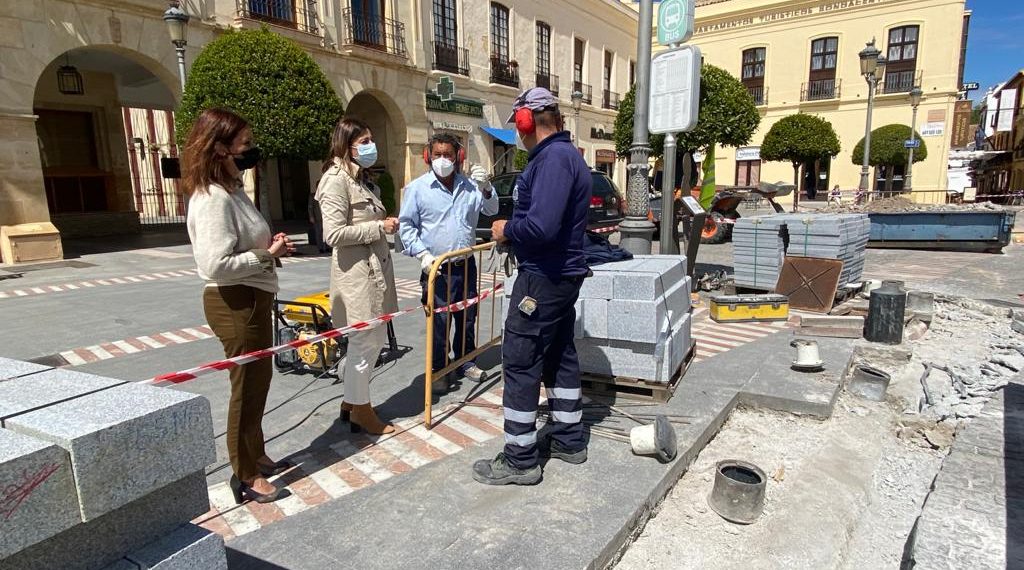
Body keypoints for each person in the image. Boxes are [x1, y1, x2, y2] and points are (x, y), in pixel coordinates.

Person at [473, 87, 591, 485]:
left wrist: (506, 229)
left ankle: (520, 458)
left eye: (518, 127)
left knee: (521, 361)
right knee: (559, 355)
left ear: (526, 121)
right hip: (560, 277)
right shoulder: (566, 156)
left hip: (542, 278)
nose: (519, 137)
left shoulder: (554, 160)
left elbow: (540, 226)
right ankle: (568, 439)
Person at [182, 108, 294, 504]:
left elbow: (241, 246)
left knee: (258, 382)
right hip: (234, 301)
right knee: (245, 388)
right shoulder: (213, 198)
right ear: (220, 149)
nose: (251, 151)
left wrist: (267, 248)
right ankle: (244, 474)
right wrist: (266, 256)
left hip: (250, 297)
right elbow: (215, 264)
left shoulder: (233, 191)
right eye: (244, 144)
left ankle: (256, 454)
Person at [315, 117, 400, 435]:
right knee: (367, 341)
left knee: (367, 341)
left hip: (373, 272)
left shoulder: (359, 180)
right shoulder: (335, 180)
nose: (370, 146)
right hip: (357, 276)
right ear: (346, 144)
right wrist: (379, 227)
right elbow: (333, 234)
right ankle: (362, 411)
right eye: (364, 141)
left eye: (370, 139)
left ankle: (351, 404)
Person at [398, 133, 499, 393]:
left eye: (448, 155)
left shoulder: (469, 187)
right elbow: (406, 227)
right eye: (437, 154)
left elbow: (491, 210)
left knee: (467, 317)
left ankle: (466, 361)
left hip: (465, 265)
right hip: (437, 268)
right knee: (440, 322)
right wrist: (422, 255)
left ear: (458, 158)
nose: (443, 159)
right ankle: (439, 369)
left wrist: (486, 187)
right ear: (428, 156)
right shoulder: (417, 189)